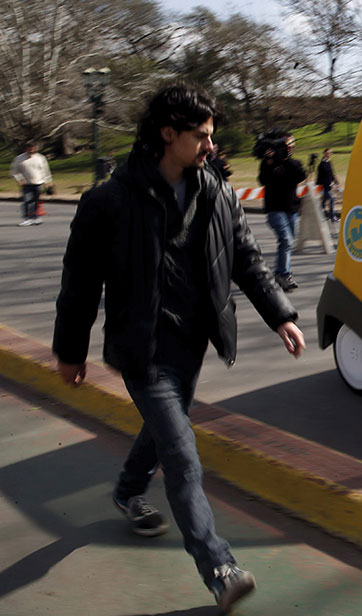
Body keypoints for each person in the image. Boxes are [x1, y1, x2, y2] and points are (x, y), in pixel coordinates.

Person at [52, 84, 306, 613]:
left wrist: (280, 314)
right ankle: (219, 567)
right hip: (141, 347)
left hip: (192, 341)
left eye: (211, 135)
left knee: (166, 429)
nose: (211, 145)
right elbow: (80, 283)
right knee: (183, 454)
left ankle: (126, 489)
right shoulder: (108, 201)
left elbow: (247, 258)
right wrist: (70, 351)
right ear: (168, 133)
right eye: (201, 135)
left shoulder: (215, 191)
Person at [257, 129, 306, 292]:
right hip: (274, 209)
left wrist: (286, 158)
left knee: (287, 243)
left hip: (291, 209)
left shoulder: (294, 163)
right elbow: (263, 180)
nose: (290, 146)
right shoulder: (269, 162)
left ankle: (281, 273)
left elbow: (301, 175)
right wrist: (269, 161)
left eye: (292, 143)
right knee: (286, 241)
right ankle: (284, 274)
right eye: (286, 143)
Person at [10, 140, 52, 226]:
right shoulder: (19, 158)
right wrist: (19, 179)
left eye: (33, 147)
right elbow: (14, 171)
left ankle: (35, 217)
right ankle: (27, 218)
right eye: (30, 148)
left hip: (38, 182)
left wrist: (48, 181)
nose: (32, 149)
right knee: (27, 201)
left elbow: (45, 170)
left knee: (36, 200)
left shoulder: (40, 158)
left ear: (36, 148)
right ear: (26, 148)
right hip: (26, 183)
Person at [316, 148, 340, 220]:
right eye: (328, 153)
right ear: (324, 154)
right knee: (332, 199)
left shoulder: (329, 162)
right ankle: (332, 216)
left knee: (324, 201)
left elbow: (332, 173)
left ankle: (318, 214)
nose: (329, 154)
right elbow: (320, 177)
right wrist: (322, 185)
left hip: (329, 185)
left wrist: (336, 182)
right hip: (324, 186)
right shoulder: (321, 165)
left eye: (330, 153)